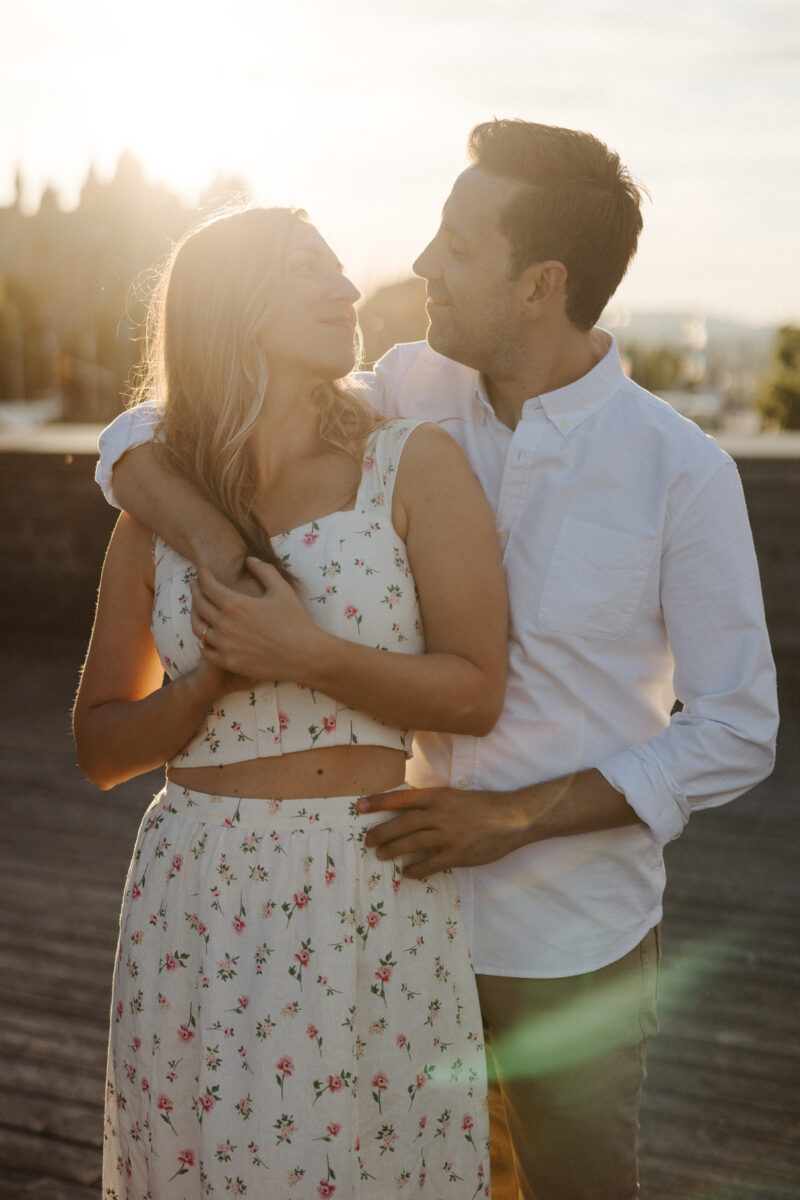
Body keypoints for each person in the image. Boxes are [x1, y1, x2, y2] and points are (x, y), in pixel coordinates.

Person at [95, 121, 779, 1200]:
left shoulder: (676, 470)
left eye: (456, 247)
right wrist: (221, 552)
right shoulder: (405, 391)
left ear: (538, 285)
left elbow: (737, 728)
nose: (418, 266)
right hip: (378, 915)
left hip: (565, 939)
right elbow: (145, 433)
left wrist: (517, 813)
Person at [75, 204, 508, 1199]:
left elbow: (473, 693)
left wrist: (302, 652)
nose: (346, 288)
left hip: (362, 881)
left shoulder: (410, 463)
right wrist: (208, 684)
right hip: (197, 883)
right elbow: (101, 749)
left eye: (338, 270)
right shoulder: (156, 511)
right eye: (308, 269)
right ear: (233, 304)